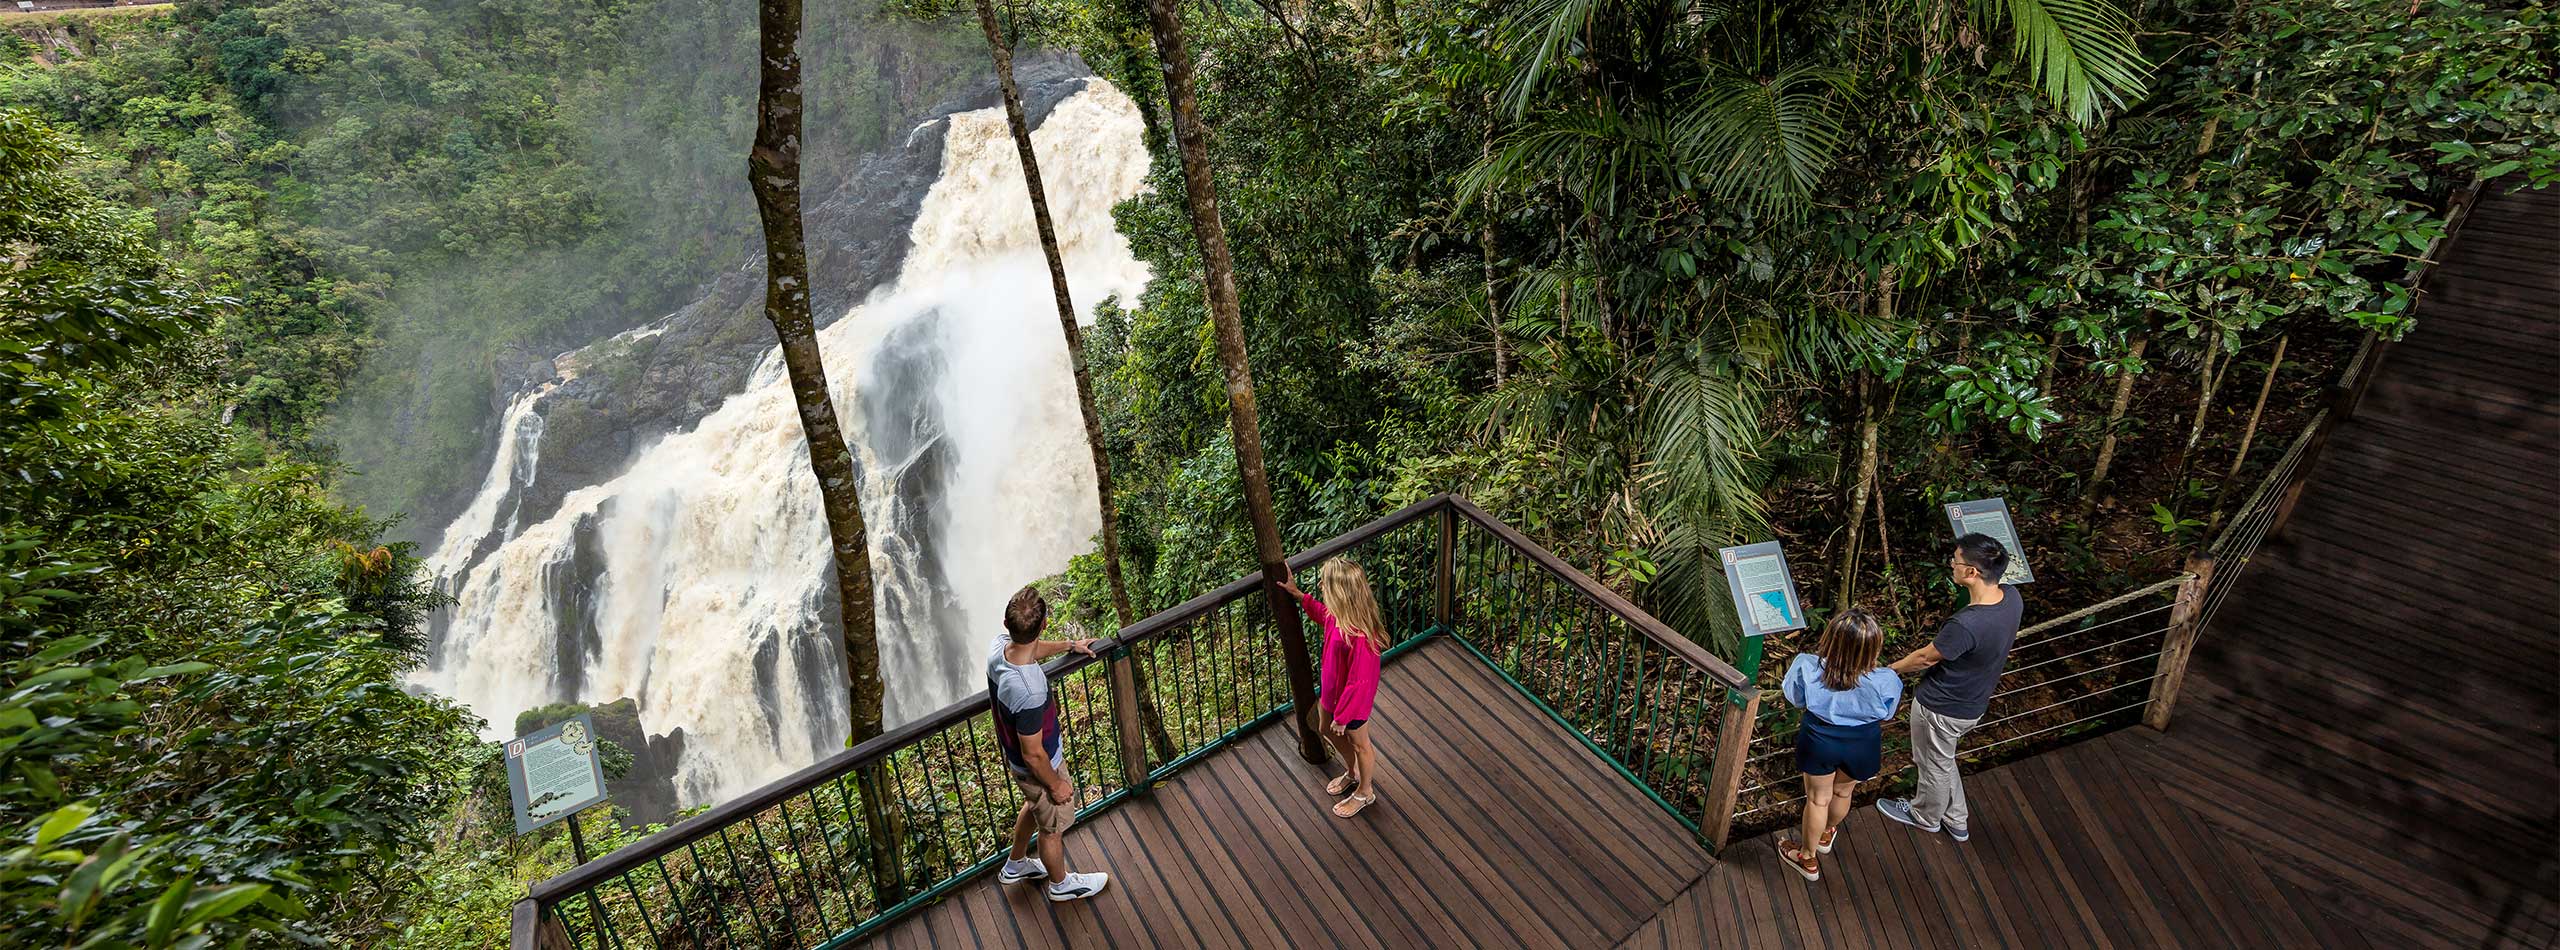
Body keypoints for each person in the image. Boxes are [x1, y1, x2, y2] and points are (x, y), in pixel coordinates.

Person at [1875, 534, 2026, 843]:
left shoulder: (1966, 625)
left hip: (1942, 707)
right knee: (1941, 759)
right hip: (1973, 702)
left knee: (1931, 764)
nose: (1951, 564)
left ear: (1972, 572)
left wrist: (1888, 670)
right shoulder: (2011, 598)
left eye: (1956, 560)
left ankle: (1925, 816)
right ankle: (1956, 819)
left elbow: (1925, 658)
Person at [989, 585, 1110, 901]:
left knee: (1034, 806)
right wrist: (1055, 784)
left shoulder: (998, 648)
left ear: (1007, 626)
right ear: (1043, 624)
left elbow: (1031, 647)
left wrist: (1071, 645)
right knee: (1051, 828)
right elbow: (1034, 754)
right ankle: (1061, 884)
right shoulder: (1029, 691)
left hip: (1014, 760)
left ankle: (1015, 864)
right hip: (1040, 766)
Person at [1773, 608, 1901, 882]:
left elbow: (1795, 697)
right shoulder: (1886, 679)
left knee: (1818, 799)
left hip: (1820, 737)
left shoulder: (1807, 666)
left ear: (1831, 639)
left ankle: (1807, 858)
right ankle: (1827, 832)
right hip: (1863, 741)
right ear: (1873, 647)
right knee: (1843, 794)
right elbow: (1888, 712)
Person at [1276, 557, 1386, 818]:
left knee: (1361, 745)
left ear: (1339, 591)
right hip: (1332, 695)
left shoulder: (1361, 635)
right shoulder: (1337, 616)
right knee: (1325, 728)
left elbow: (1360, 681)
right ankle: (1353, 771)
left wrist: (1344, 716)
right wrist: (1299, 595)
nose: (1321, 586)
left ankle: (1365, 792)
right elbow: (1322, 614)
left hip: (1352, 705)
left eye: (1325, 583)